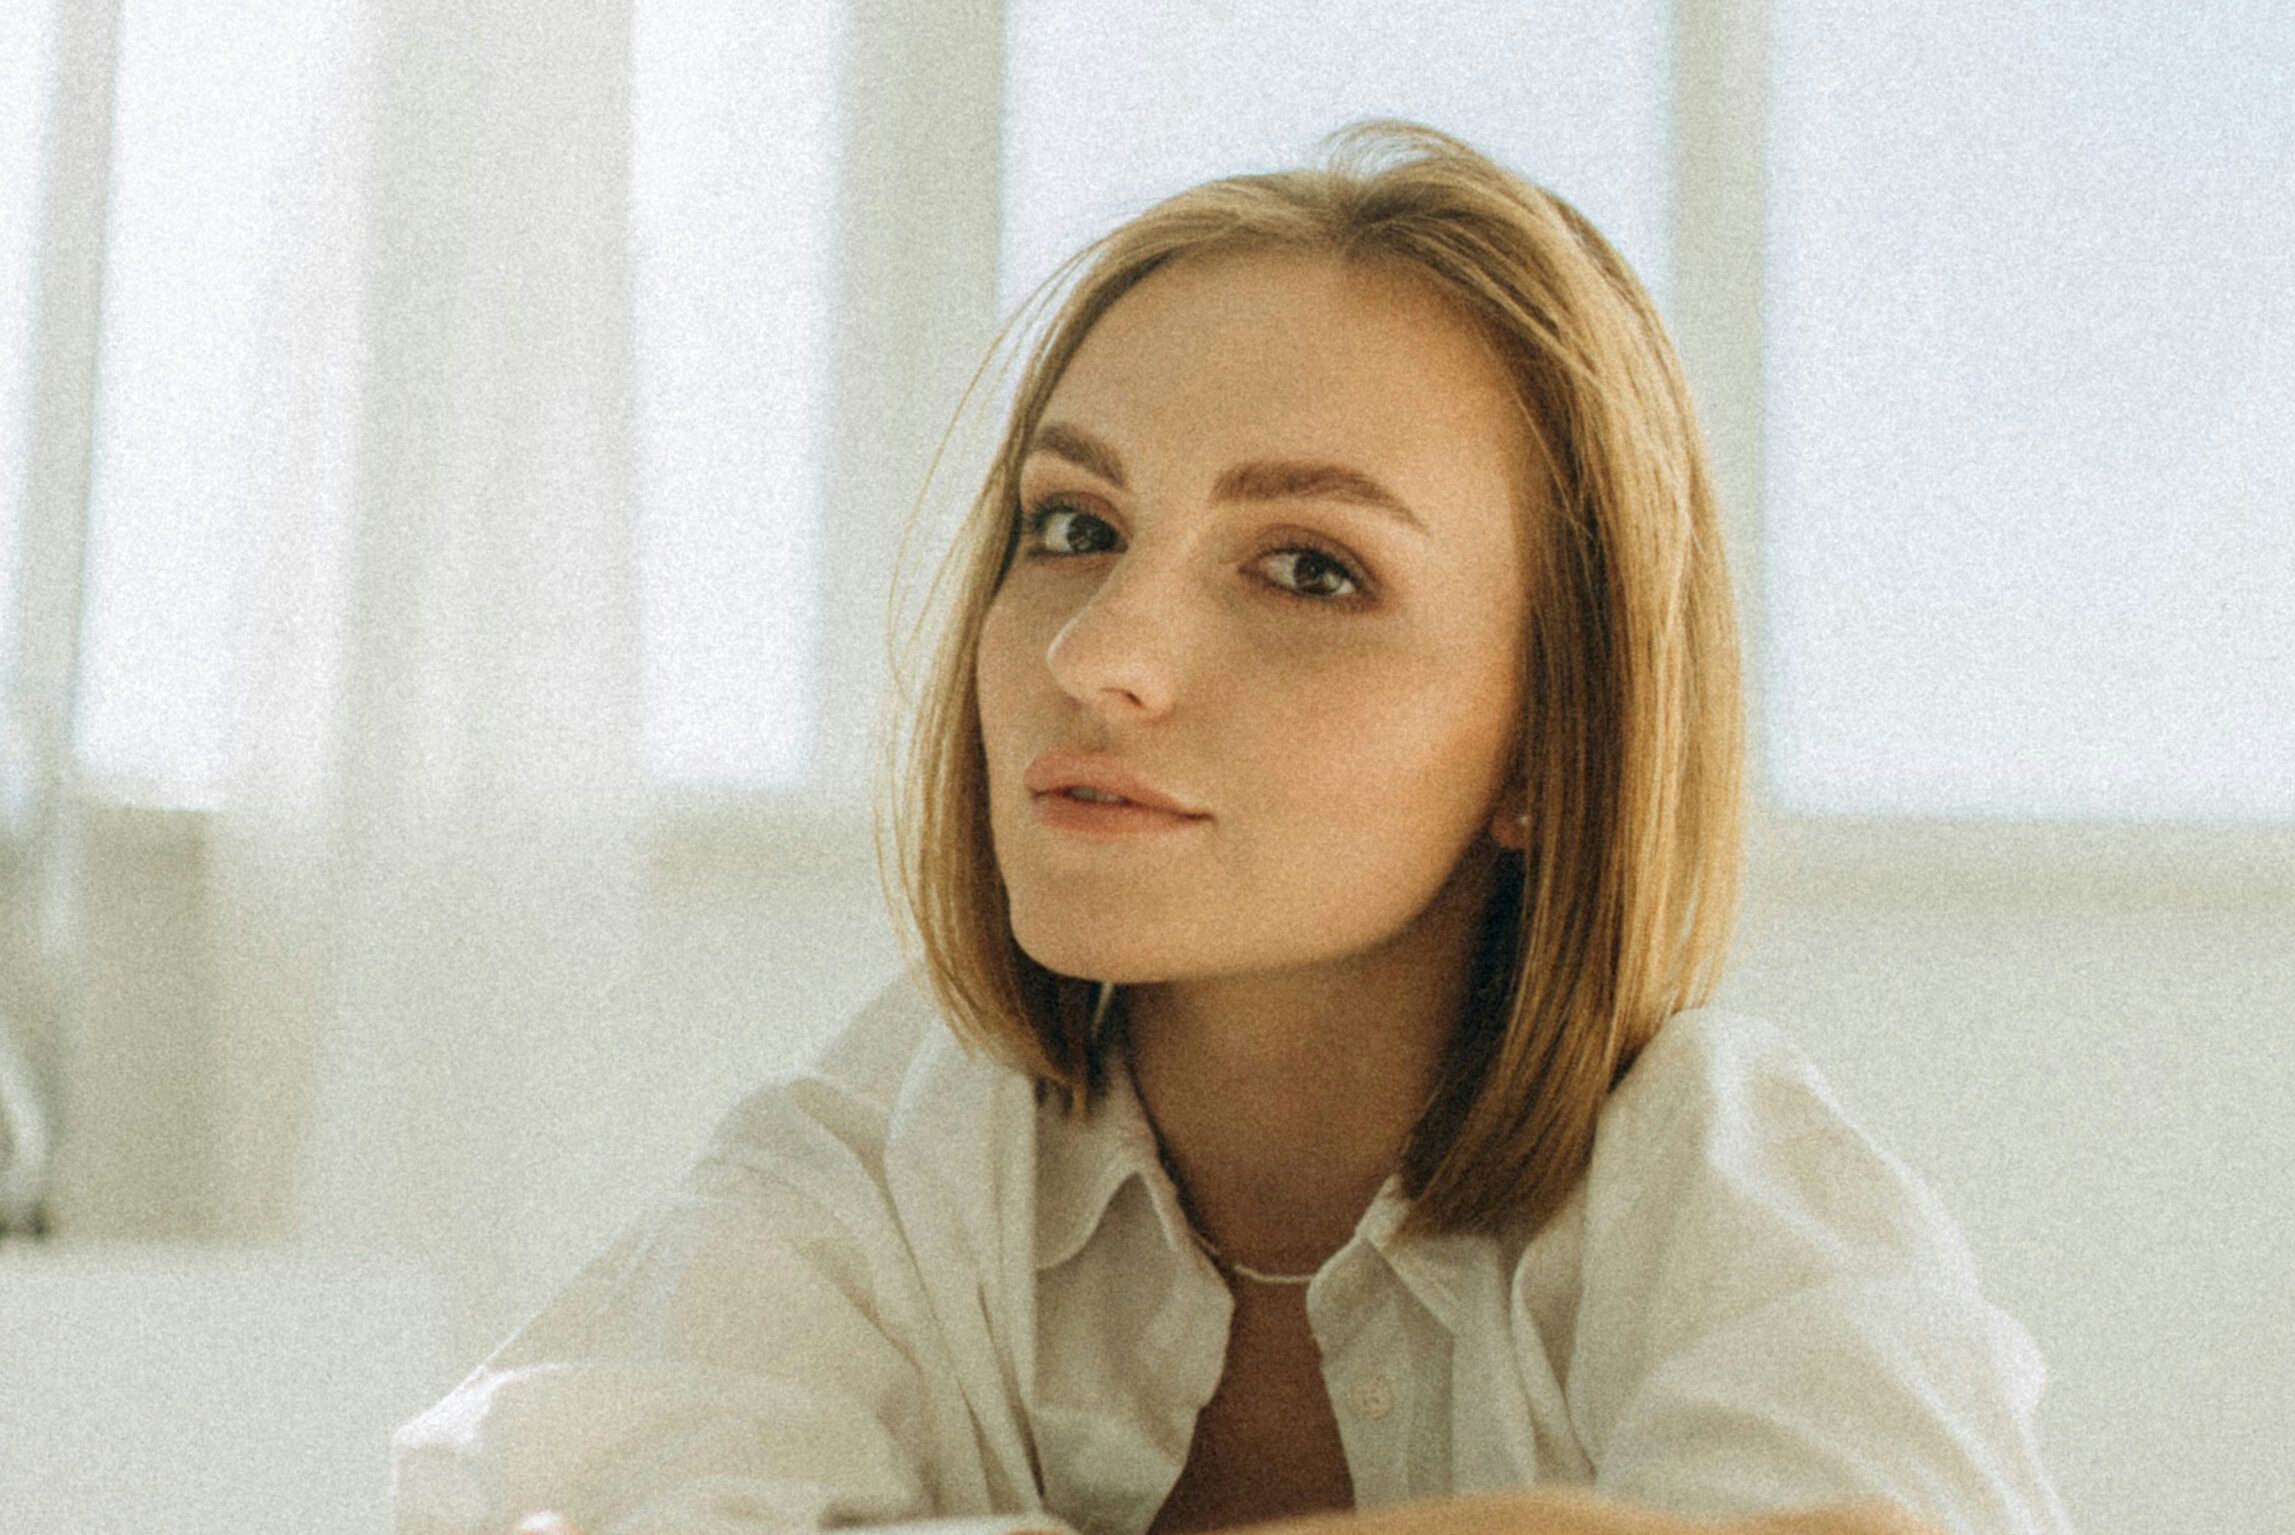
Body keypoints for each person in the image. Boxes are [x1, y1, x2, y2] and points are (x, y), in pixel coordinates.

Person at [393, 119, 2077, 1535]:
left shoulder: (1724, 1182)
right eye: (1073, 523)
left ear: (1552, 747)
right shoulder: (881, 1171)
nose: (1094, 653)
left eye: (1311, 569)